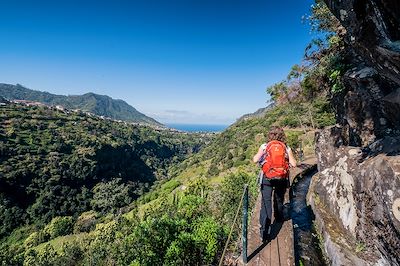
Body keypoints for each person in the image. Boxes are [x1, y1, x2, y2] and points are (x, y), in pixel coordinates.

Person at [253, 127, 297, 242]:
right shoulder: (286, 147)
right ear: (282, 135)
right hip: (281, 178)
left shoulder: (265, 146)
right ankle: (278, 217)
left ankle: (264, 233)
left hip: (267, 178)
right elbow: (294, 164)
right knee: (278, 199)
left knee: (265, 204)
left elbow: (255, 159)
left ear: (270, 135)